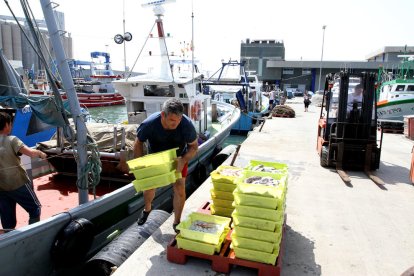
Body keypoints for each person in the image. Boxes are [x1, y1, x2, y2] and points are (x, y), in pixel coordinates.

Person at [134, 99, 198, 233]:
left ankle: (176, 222)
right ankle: (147, 209)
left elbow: (193, 147)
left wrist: (183, 160)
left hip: (178, 157)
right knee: (150, 187)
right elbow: (138, 142)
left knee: (180, 188)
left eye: (179, 120)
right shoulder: (149, 124)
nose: (176, 123)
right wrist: (139, 164)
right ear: (163, 115)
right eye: (172, 120)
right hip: (156, 157)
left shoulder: (186, 125)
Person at [0, 112, 47, 231]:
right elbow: (31, 153)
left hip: (1, 187)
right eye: (10, 124)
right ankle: (32, 233)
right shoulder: (12, 140)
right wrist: (41, 153)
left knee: (7, 219)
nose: (11, 126)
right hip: (18, 183)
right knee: (35, 209)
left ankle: (9, 239)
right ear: (6, 125)